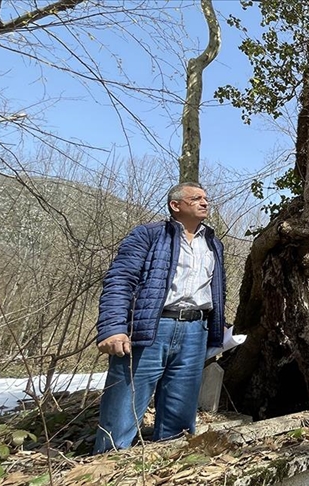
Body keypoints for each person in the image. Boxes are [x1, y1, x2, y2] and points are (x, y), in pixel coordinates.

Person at [93, 182, 226, 454]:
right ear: (175, 205)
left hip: (195, 331)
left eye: (205, 198)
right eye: (196, 198)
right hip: (151, 329)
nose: (205, 202)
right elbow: (120, 280)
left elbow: (213, 290)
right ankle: (107, 466)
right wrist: (113, 328)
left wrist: (218, 325)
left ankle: (170, 466)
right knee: (122, 412)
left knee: (180, 420)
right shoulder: (149, 235)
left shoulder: (213, 243)